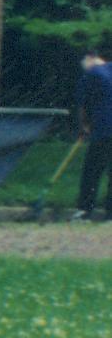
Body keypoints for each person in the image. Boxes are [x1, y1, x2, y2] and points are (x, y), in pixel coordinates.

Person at [73, 48, 110, 219]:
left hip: (103, 130)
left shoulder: (90, 74)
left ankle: (84, 211)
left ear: (89, 58)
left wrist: (83, 127)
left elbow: (81, 106)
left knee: (92, 171)